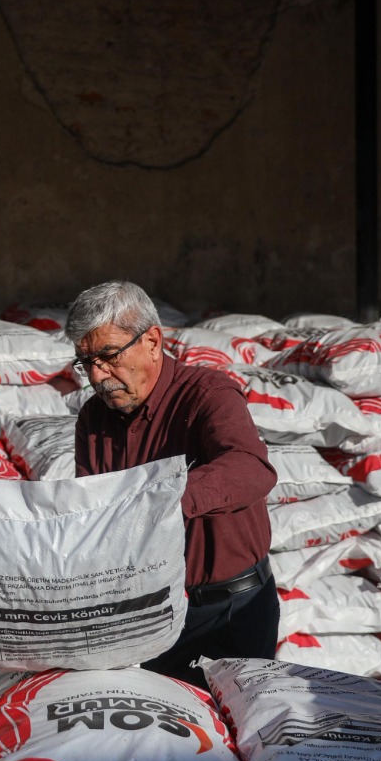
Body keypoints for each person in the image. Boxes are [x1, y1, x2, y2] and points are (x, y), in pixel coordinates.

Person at [69, 280, 278, 683]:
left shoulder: (208, 395)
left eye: (108, 356)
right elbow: (91, 509)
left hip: (229, 613)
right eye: (86, 362)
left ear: (151, 340)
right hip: (148, 616)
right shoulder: (94, 418)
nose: (98, 375)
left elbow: (250, 467)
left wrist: (159, 500)